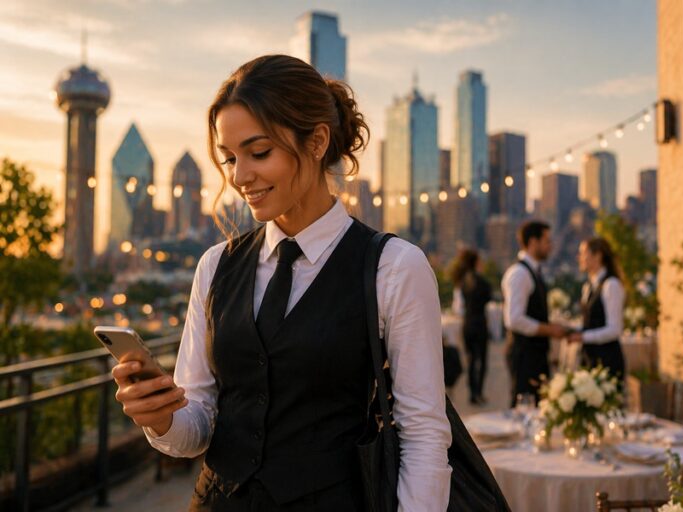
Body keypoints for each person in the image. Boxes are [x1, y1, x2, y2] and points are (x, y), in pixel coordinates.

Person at [110, 55, 451, 511]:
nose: (239, 176)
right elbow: (196, 430)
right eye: (230, 158)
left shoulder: (394, 267)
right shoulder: (215, 266)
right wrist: (162, 419)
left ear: (317, 142)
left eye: (259, 152)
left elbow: (424, 435)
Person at [501, 220, 568, 407]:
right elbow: (514, 319)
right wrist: (549, 330)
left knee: (538, 404)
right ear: (533, 242)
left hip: (535, 353)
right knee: (524, 404)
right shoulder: (519, 274)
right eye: (547, 240)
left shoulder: (533, 271)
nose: (551, 245)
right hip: (524, 354)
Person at [568, 237, 626, 382]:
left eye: (583, 253)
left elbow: (614, 329)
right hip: (589, 359)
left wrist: (583, 337)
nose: (579, 257)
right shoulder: (588, 286)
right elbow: (590, 322)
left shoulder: (611, 285)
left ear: (598, 255)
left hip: (607, 360)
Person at [450, 248, 492, 405]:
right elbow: (488, 300)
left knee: (471, 359)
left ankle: (472, 392)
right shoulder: (483, 283)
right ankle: (479, 392)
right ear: (475, 262)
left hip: (467, 324)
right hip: (480, 323)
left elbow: (458, 307)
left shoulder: (461, 282)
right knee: (482, 360)